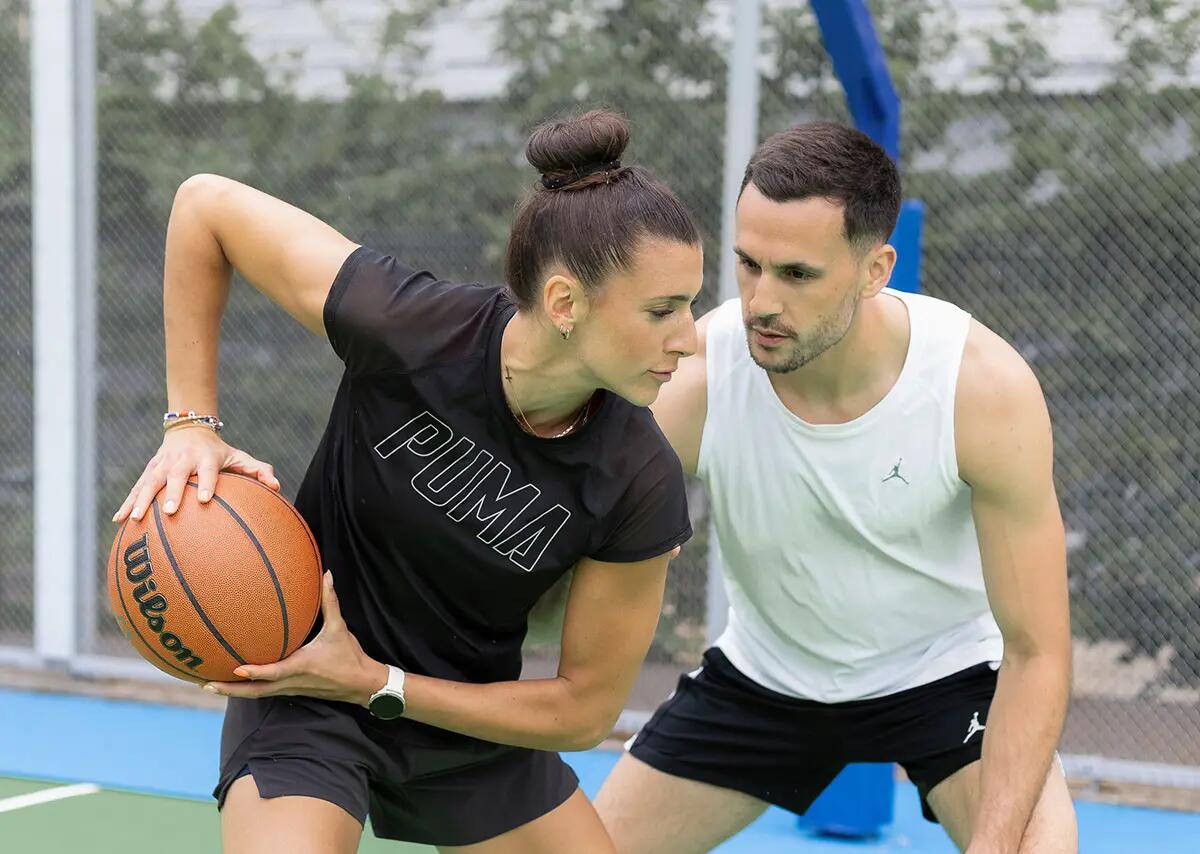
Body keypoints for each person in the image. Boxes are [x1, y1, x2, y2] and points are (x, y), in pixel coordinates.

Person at [112, 109, 703, 853]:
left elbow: (582, 712)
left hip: (464, 716)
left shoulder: (638, 477)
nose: (688, 338)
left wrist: (377, 683)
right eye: (662, 310)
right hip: (308, 688)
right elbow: (205, 205)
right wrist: (191, 424)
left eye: (690, 305)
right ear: (564, 303)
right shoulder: (413, 330)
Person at [595, 122, 1078, 853]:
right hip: (763, 680)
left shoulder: (980, 388)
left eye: (797, 274)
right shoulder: (698, 379)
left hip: (946, 675)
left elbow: (1038, 650)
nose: (759, 301)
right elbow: (569, 532)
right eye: (748, 264)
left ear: (875, 269)